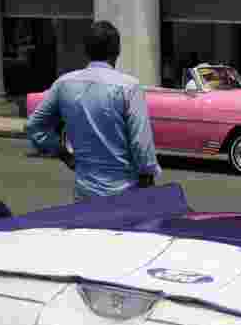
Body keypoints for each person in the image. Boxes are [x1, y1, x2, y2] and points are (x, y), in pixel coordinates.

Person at [26, 21, 161, 201]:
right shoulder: (129, 87)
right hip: (124, 193)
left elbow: (34, 126)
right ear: (117, 50)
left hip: (84, 192)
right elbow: (141, 143)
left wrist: (64, 155)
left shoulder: (64, 83)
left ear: (86, 50)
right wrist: (147, 179)